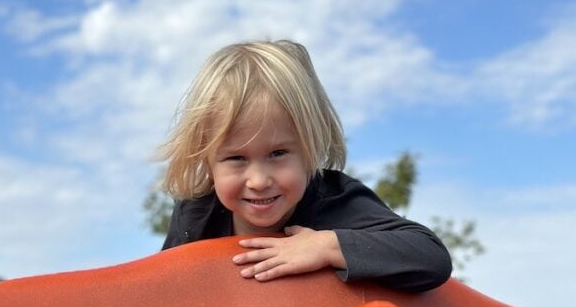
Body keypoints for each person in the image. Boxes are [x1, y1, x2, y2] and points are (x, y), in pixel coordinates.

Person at [158, 40, 452, 292]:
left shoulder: (335, 201)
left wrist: (327, 247)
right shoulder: (196, 215)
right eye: (237, 158)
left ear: (310, 148)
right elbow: (164, 293)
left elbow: (430, 256)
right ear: (206, 160)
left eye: (278, 153)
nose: (259, 180)